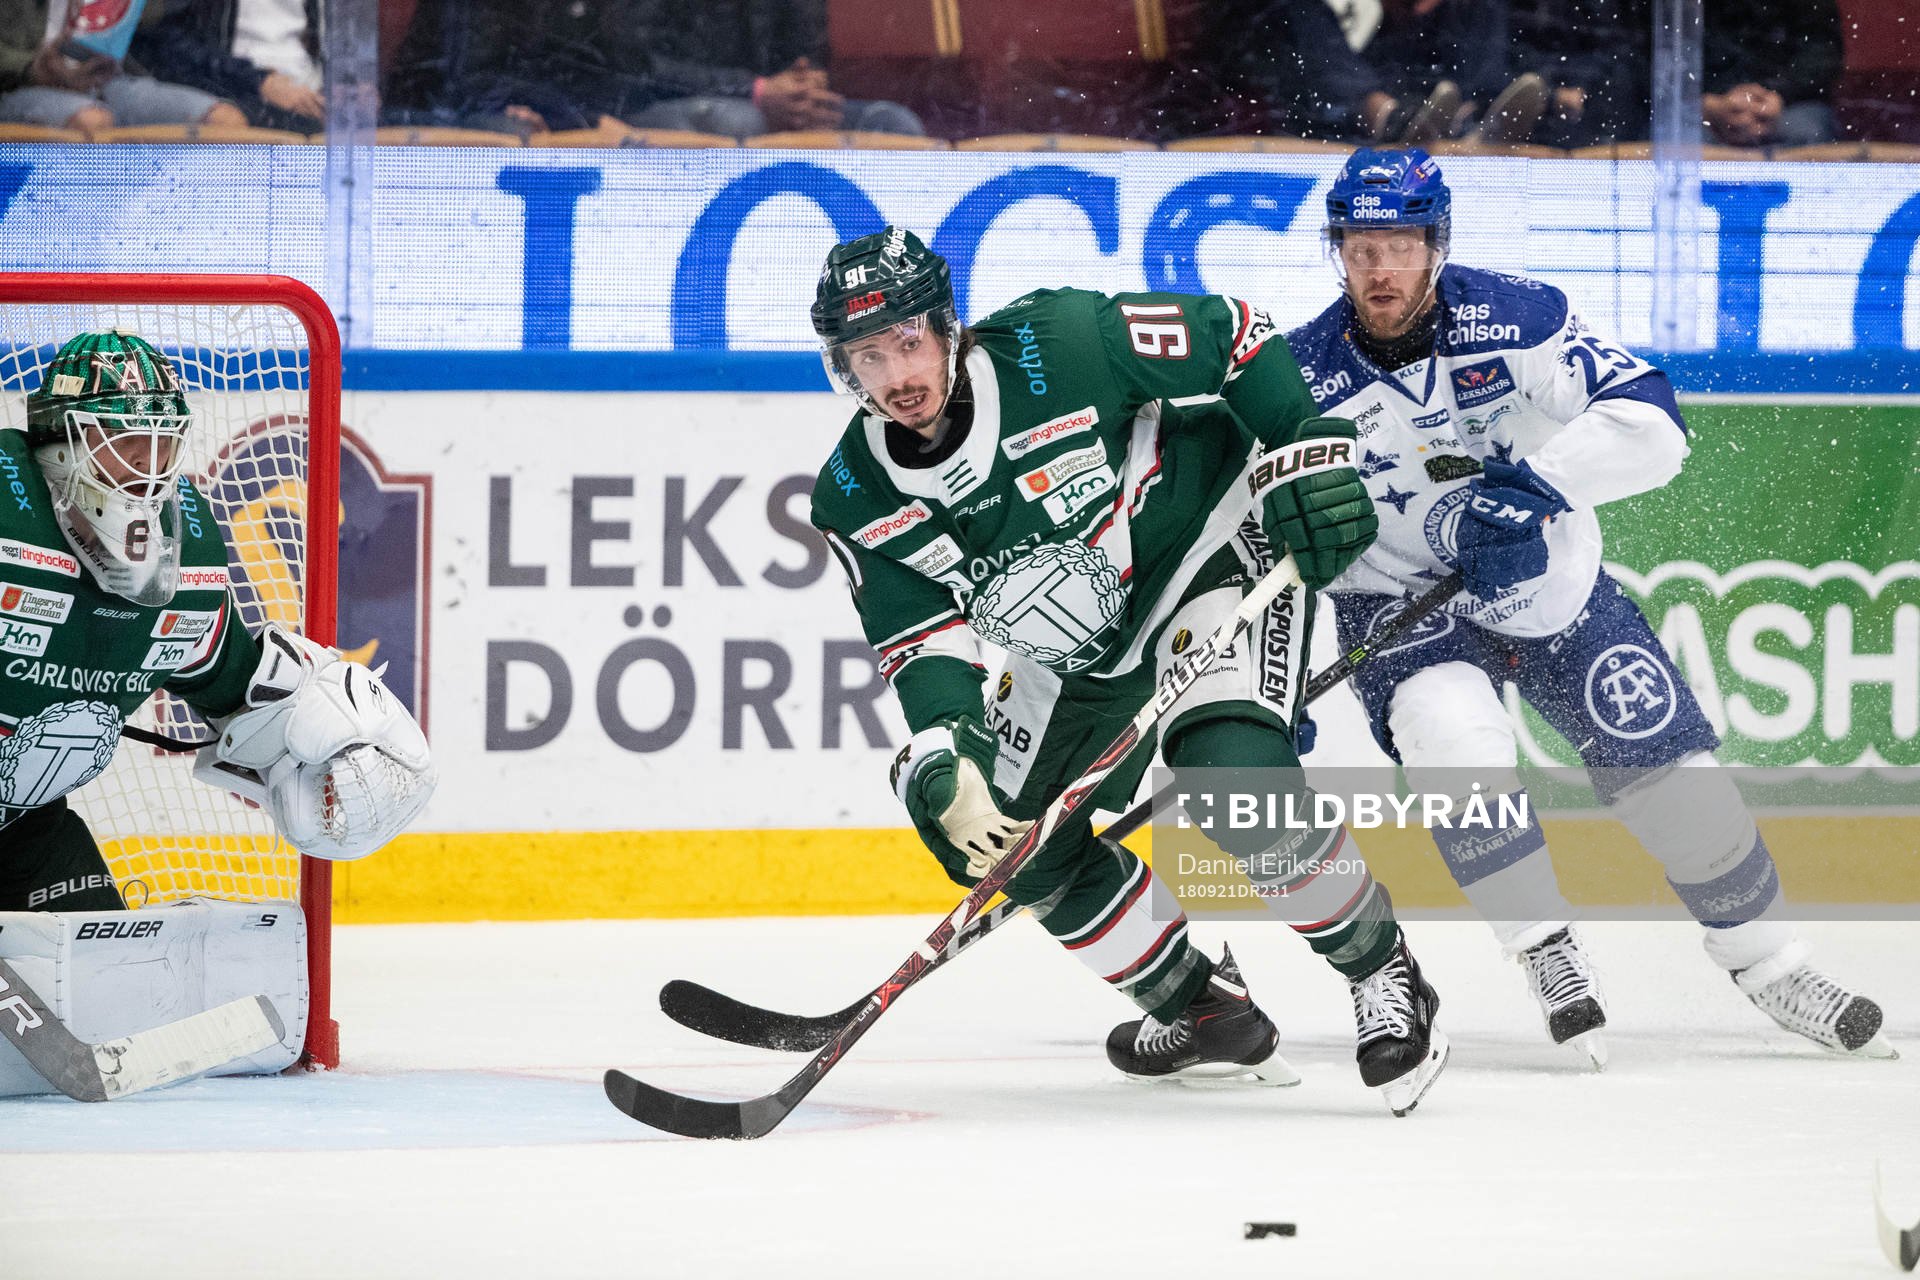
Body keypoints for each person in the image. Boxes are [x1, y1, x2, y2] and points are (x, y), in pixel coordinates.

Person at [807, 226, 1449, 1114]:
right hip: (1074, 648)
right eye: (867, 358)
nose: (897, 377)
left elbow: (1237, 334)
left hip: (1209, 555)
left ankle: (1383, 969)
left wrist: (1307, 445)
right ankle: (1201, 1010)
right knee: (1010, 851)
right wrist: (947, 756)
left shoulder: (1062, 342)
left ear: (948, 327)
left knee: (1233, 783)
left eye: (910, 342)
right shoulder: (852, 494)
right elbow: (925, 646)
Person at [1285, 149, 1890, 1065]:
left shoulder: (1518, 316)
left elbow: (1655, 424)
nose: (1380, 268)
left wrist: (1537, 487)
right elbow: (1267, 538)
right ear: (1338, 251)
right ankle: (1545, 951)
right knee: (1457, 747)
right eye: (1360, 246)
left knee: (1673, 782)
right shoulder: (1298, 378)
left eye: (1400, 243)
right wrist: (1270, 683)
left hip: (1555, 594)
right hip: (1403, 611)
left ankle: (1769, 963)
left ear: (1436, 243)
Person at [0, 330, 436, 914]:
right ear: (58, 442)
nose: (146, 468)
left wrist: (317, 736)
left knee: (106, 982)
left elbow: (235, 686)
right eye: (125, 441)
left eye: (162, 444)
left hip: (25, 835)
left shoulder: (187, 562)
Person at [0, 0, 248, 134]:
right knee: (92, 122)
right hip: (17, 84)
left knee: (224, 120)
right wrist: (29, 68)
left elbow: (157, 18)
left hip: (108, 78)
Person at [132, 0, 329, 135]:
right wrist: (258, 81)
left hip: (309, 91)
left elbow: (330, 41)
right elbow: (164, 42)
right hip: (230, 86)